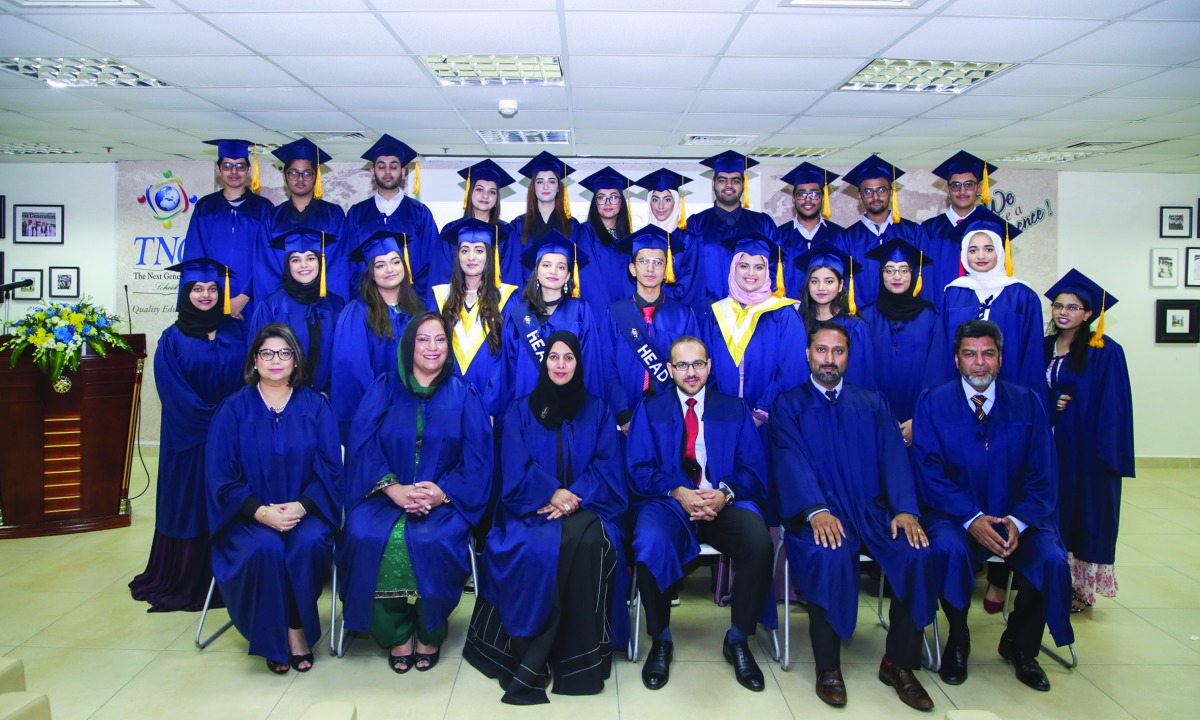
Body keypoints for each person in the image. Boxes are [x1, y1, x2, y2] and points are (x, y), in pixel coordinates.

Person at [770, 321, 942, 710]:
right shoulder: (789, 404)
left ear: (848, 356)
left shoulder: (872, 402)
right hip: (816, 511)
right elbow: (789, 462)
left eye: (838, 351)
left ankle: (898, 663)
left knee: (917, 552)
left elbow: (895, 458)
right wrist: (815, 510)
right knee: (828, 555)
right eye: (821, 350)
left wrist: (904, 509)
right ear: (808, 354)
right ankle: (828, 666)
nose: (829, 359)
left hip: (872, 511)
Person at [465, 331, 627, 704]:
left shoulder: (598, 409)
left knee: (590, 545)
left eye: (568, 358)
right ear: (544, 362)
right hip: (531, 508)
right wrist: (551, 492)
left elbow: (607, 466)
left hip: (587, 507)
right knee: (529, 547)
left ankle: (579, 658)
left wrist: (574, 497)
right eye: (554, 357)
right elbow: (515, 465)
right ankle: (535, 650)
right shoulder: (522, 409)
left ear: (578, 363)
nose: (560, 365)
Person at [912, 320, 1073, 692]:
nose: (979, 363)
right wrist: (973, 518)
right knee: (948, 550)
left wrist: (1017, 520)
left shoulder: (1027, 402)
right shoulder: (933, 402)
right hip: (956, 515)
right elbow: (929, 473)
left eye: (988, 354)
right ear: (957, 359)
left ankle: (1021, 643)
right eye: (970, 355)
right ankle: (958, 637)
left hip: (1018, 515)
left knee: (1050, 560)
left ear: (1000, 358)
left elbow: (1042, 473)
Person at [339, 313, 493, 674]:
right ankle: (395, 633)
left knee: (431, 538)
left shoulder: (463, 393)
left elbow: (479, 456)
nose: (432, 348)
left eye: (440, 340)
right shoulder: (384, 387)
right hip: (383, 495)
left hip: (444, 498)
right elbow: (361, 443)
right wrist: (392, 487)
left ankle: (430, 631)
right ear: (409, 345)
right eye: (423, 340)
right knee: (366, 535)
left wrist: (443, 492)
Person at [626, 336, 774, 692]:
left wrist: (723, 494)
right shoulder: (650, 409)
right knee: (648, 540)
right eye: (681, 365)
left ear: (709, 367)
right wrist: (679, 491)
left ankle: (738, 638)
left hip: (723, 504)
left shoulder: (734, 409)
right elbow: (638, 469)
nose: (690, 372)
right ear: (669, 370)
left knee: (758, 541)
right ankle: (661, 638)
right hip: (670, 504)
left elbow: (753, 470)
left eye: (697, 364)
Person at [206, 323, 341, 674]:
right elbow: (221, 476)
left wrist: (301, 506)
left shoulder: (316, 407)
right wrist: (262, 512)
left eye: (285, 353)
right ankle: (272, 634)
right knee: (265, 549)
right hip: (248, 515)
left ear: (296, 361)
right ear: (254, 361)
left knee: (306, 546)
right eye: (267, 353)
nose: (276, 360)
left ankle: (297, 630)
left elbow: (330, 467)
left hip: (305, 511)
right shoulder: (233, 409)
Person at [129, 258, 247, 612]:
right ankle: (183, 579)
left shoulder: (236, 331)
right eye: (198, 289)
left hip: (232, 439)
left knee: (226, 501)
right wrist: (218, 422)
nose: (206, 295)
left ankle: (228, 577)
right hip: (189, 440)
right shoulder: (172, 338)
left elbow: (249, 379)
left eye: (213, 289)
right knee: (189, 503)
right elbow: (175, 394)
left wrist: (233, 424)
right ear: (185, 292)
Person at [1043, 270, 1135, 612]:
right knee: (1054, 512)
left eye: (1073, 307)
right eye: (1058, 306)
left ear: (1088, 313)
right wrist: (1053, 402)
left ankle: (1078, 589)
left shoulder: (1104, 351)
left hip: (1084, 448)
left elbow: (1115, 405)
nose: (1063, 312)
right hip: (1050, 445)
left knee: (1083, 513)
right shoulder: (1044, 345)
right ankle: (1051, 580)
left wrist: (1107, 457)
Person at [330, 231, 426, 443]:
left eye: (395, 262)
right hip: (377, 419)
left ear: (404, 266)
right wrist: (380, 413)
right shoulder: (357, 313)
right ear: (371, 273)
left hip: (418, 418)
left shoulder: (418, 310)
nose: (390, 270)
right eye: (380, 265)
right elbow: (354, 373)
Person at [702, 232, 807, 424]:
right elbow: (707, 368)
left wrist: (762, 411)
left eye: (759, 267)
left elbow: (792, 370)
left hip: (770, 419)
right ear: (733, 268)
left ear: (768, 271)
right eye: (743, 266)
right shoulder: (716, 314)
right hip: (723, 417)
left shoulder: (783, 314)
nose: (751, 273)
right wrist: (718, 405)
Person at [602, 226, 699, 433]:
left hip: (672, 415)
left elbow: (693, 367)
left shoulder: (683, 315)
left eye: (658, 262)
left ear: (666, 270)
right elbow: (607, 367)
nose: (650, 269)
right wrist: (622, 413)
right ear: (632, 268)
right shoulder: (615, 313)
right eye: (643, 261)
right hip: (626, 414)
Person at [942, 215, 1044, 398]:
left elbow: (1032, 354)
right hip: (959, 391)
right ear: (964, 253)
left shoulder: (1022, 295)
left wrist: (1028, 400)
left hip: (1012, 391)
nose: (981, 256)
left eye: (989, 249)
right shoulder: (952, 293)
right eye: (973, 250)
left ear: (1000, 250)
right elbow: (943, 350)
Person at [500, 230, 603, 410]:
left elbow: (590, 363)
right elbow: (507, 369)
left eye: (561, 267)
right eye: (546, 265)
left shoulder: (580, 310)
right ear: (536, 271)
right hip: (525, 407)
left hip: (571, 407)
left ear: (568, 276)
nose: (553, 271)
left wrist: (589, 411)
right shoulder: (519, 314)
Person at [859, 239, 948, 445]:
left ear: (914, 274)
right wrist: (881, 417)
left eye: (903, 270)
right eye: (889, 270)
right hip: (876, 420)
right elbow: (862, 373)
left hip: (921, 421)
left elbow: (937, 371)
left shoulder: (930, 317)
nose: (896, 277)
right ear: (881, 275)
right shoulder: (865, 318)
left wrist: (919, 419)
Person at [430, 217, 519, 419]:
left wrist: (493, 406)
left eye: (479, 250)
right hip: (446, 404)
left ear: (489, 256)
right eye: (464, 250)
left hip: (491, 407)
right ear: (457, 256)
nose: (471, 257)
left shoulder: (508, 300)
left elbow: (510, 360)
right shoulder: (440, 298)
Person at [248, 228, 345, 397]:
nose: (304, 265)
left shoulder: (336, 305)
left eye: (310, 258)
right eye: (295, 259)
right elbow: (258, 359)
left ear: (320, 262)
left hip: (326, 400)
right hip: (283, 401)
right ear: (287, 265)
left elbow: (343, 357)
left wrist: (330, 393)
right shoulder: (271, 306)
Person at [183, 139, 273, 319]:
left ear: (248, 170)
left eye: (240, 166)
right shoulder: (205, 207)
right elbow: (195, 255)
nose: (234, 172)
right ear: (218, 169)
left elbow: (267, 257)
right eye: (227, 166)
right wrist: (210, 295)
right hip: (211, 299)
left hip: (253, 299)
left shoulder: (263, 208)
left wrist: (243, 296)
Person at [344, 134, 439, 300]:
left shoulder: (420, 213)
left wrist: (415, 299)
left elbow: (432, 261)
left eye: (393, 166)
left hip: (411, 302)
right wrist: (364, 296)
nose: (387, 171)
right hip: (368, 303)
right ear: (372, 172)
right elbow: (349, 262)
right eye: (381, 167)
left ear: (403, 172)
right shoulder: (357, 213)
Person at [686, 151, 776, 307]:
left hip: (752, 311)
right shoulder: (695, 224)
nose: (729, 185)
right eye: (722, 180)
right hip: (706, 312)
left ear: (743, 185)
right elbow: (687, 270)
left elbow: (775, 267)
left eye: (735, 180)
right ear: (713, 184)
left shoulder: (762, 223)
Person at [837, 154, 923, 308]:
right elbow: (845, 283)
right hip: (862, 317)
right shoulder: (847, 237)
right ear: (860, 196)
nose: (875, 196)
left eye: (881, 190)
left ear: (890, 192)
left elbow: (921, 275)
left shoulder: (913, 231)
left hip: (906, 315)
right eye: (868, 192)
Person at [268, 138, 346, 304]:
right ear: (285, 176)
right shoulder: (272, 217)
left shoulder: (333, 214)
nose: (300, 178)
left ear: (316, 176)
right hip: (284, 303)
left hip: (324, 301)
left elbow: (338, 260)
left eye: (307, 173)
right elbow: (267, 263)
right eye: (294, 173)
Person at [920, 151, 1000, 311]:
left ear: (979, 188)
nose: (962, 191)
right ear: (948, 190)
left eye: (969, 185)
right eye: (955, 186)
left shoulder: (992, 228)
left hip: (981, 311)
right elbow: (924, 278)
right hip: (939, 309)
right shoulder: (929, 229)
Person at [794, 242, 875, 391]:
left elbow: (860, 378)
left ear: (840, 285)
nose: (821, 288)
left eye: (829, 281)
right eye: (814, 281)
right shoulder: (797, 322)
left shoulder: (855, 327)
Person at [436, 159, 518, 300]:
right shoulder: (451, 230)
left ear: (497, 197)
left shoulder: (506, 232)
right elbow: (442, 274)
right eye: (479, 189)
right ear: (470, 191)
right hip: (456, 304)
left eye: (492, 192)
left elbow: (511, 275)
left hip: (495, 306)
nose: (485, 196)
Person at [633, 168, 706, 318]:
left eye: (667, 199)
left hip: (676, 314)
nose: (660, 206)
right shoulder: (640, 239)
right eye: (655, 199)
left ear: (676, 202)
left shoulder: (688, 240)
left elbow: (691, 285)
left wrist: (658, 297)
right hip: (642, 312)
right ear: (649, 202)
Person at [504, 151, 579, 285]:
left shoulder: (572, 225)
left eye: (551, 181)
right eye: (540, 181)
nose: (545, 186)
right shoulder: (518, 226)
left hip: (561, 296)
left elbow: (575, 266)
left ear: (558, 188)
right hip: (527, 297)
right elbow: (513, 267)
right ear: (533, 187)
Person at [774, 161, 845, 301]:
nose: (807, 200)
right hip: (789, 312)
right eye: (801, 194)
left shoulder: (838, 235)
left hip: (826, 314)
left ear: (823, 198)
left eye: (814, 194)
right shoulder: (778, 236)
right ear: (793, 199)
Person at [576, 166, 636, 318]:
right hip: (598, 314)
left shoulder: (630, 239)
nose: (608, 202)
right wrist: (607, 314)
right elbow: (588, 277)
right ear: (595, 203)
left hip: (626, 314)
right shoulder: (585, 232)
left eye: (614, 197)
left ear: (621, 202)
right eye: (602, 197)